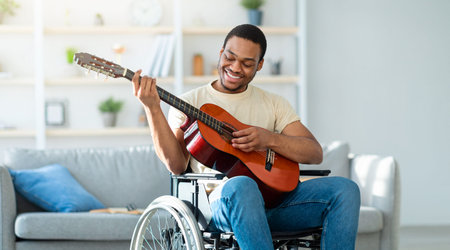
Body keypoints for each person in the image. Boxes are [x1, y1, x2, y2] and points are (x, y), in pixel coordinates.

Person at [132, 24, 360, 250]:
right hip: (220, 206)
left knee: (345, 190)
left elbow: (314, 153)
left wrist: (269, 139)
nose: (235, 67)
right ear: (221, 54)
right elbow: (176, 165)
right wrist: (152, 109)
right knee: (242, 185)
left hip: (276, 204)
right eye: (230, 58)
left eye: (247, 63)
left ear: (259, 65)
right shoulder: (190, 102)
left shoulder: (274, 103)